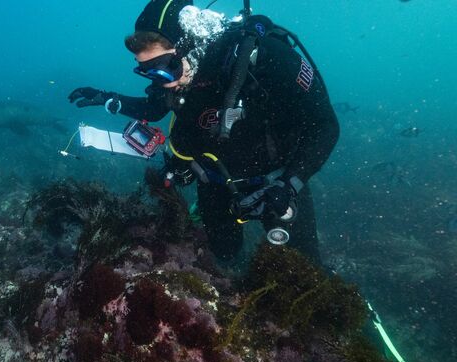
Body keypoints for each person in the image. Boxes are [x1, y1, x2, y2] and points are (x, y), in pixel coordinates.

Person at [68, 0, 339, 263]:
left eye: (166, 68)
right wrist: (107, 98)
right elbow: (154, 108)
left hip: (276, 180)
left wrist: (290, 183)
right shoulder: (175, 80)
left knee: (304, 266)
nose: (165, 83)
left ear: (191, 45)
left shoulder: (267, 57)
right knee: (224, 255)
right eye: (149, 73)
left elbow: (326, 125)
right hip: (215, 181)